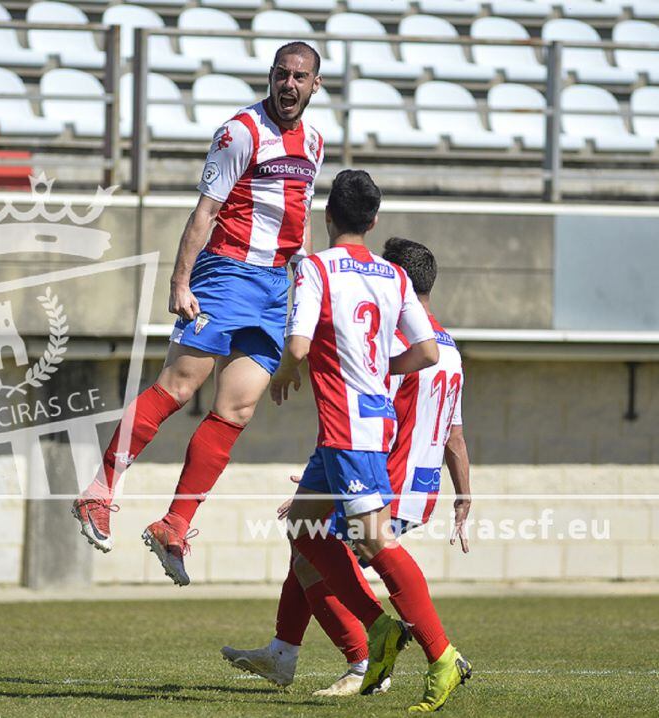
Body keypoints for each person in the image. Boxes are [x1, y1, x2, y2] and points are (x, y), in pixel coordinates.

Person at [71, 42, 325, 586]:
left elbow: (299, 222)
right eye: (281, 74)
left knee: (236, 411)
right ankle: (98, 492)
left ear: (314, 86)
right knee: (180, 386)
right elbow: (206, 211)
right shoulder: (240, 132)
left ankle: (174, 524)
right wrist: (180, 281)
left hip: (275, 284)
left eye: (299, 77)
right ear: (270, 76)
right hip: (226, 272)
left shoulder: (316, 143)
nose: (289, 84)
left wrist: (300, 296)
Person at [220, 237, 472, 698]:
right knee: (307, 542)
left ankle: (368, 660)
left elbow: (378, 414)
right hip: (419, 485)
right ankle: (286, 650)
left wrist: (337, 475)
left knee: (326, 554)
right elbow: (452, 433)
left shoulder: (388, 340)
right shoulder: (448, 346)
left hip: (381, 471)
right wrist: (463, 495)